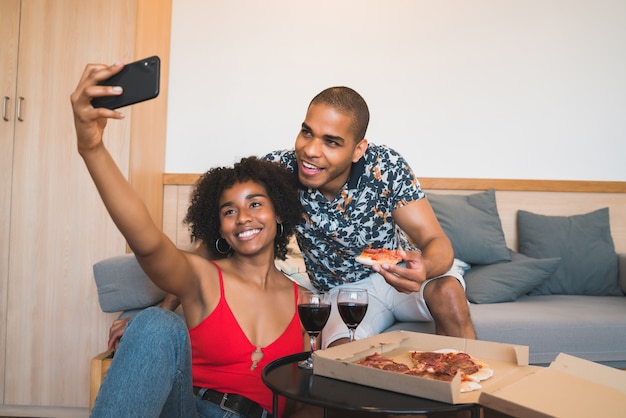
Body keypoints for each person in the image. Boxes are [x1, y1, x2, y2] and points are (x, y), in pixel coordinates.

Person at [71, 62, 306, 418]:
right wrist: (92, 148)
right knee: (155, 323)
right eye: (229, 211)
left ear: (279, 212)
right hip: (191, 410)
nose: (243, 217)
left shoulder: (307, 304)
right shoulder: (203, 278)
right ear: (218, 225)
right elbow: (148, 243)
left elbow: (302, 403)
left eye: (255, 204)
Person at [263, 86, 477, 346]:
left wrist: (425, 269)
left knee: (448, 292)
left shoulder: (386, 167)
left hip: (399, 274)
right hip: (343, 290)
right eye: (307, 132)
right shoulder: (278, 171)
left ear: (358, 149)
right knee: (339, 353)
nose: (310, 150)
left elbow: (435, 240)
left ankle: (466, 384)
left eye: (331, 142)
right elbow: (233, 216)